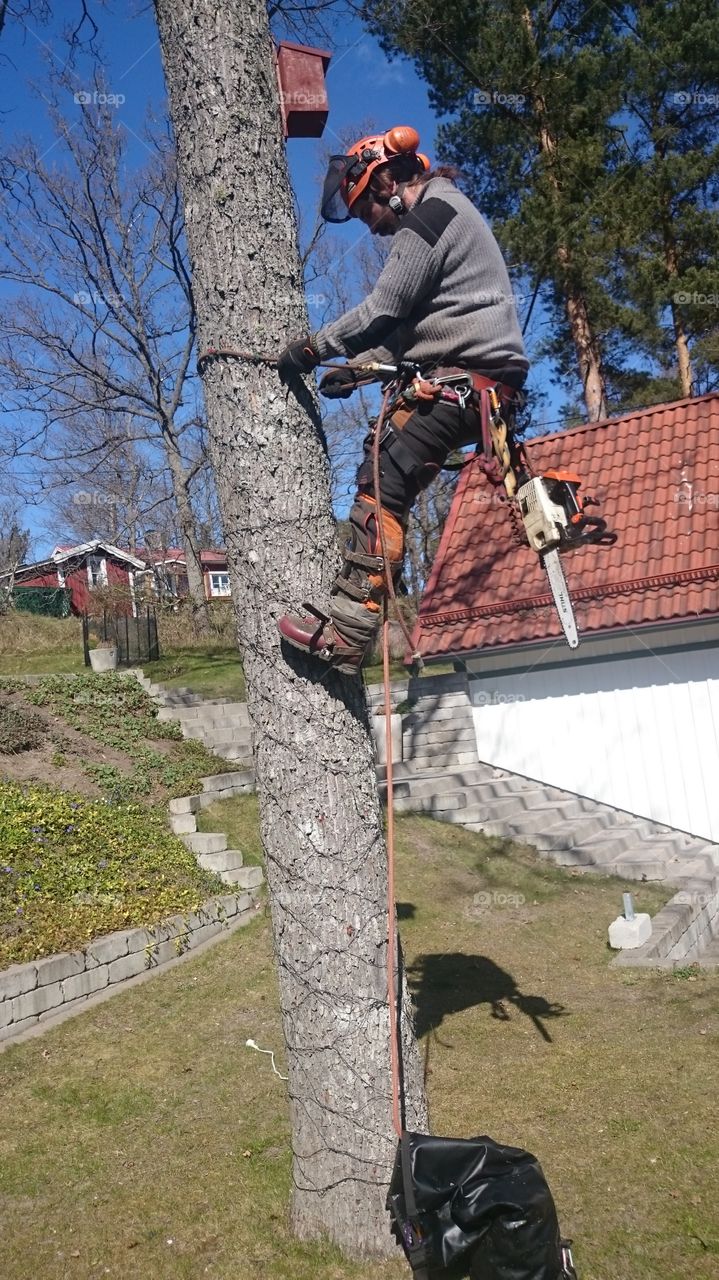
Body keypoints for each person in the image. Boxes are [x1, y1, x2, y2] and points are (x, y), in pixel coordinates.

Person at [276, 126, 529, 676]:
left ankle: (347, 631)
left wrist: (314, 348)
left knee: (383, 477)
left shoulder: (430, 218)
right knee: (392, 471)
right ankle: (362, 616)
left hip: (463, 384)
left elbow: (383, 310)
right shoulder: (449, 212)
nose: (371, 226)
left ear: (387, 179)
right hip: (478, 387)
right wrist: (356, 371)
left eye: (367, 210)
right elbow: (417, 328)